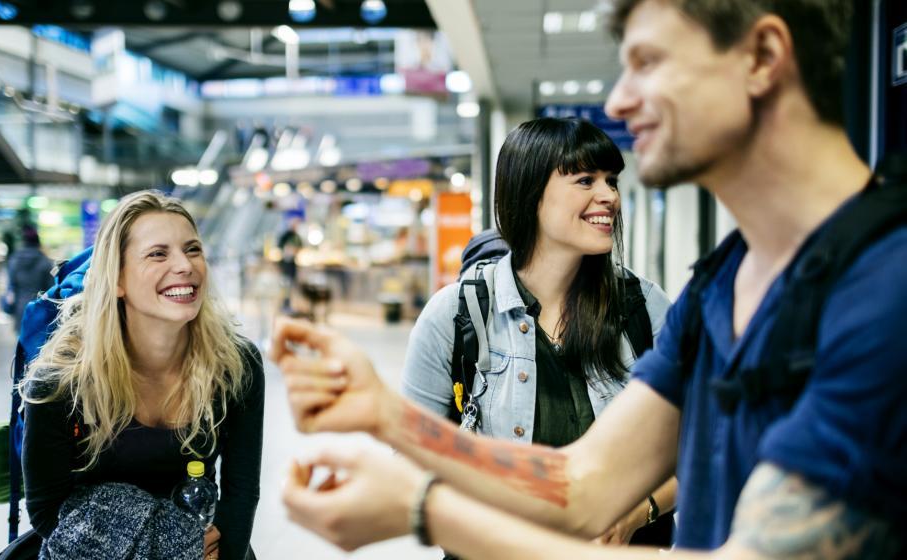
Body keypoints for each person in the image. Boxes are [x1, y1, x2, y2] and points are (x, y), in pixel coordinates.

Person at [271, 0, 907, 557]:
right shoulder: (720, 285)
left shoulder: (885, 290)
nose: (619, 100)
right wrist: (388, 417)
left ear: (762, 56)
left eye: (649, 62)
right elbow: (585, 484)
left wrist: (423, 510)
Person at [402, 117, 675, 547]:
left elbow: (700, 442)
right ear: (530, 194)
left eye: (611, 180)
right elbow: (413, 460)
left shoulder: (642, 307)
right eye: (585, 180)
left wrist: (637, 513)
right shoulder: (457, 314)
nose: (609, 196)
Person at [20, 190, 264, 560]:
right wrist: (173, 547)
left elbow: (241, 488)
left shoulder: (234, 363)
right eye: (158, 253)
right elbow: (46, 508)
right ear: (117, 279)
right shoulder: (62, 379)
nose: (184, 266)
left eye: (193, 249)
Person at [5, 227, 53, 332]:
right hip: (39, 309)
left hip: (20, 309)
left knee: (21, 341)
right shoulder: (45, 262)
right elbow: (50, 289)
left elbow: (11, 287)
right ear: (38, 242)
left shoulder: (14, 260)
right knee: (38, 344)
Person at [276, 217, 303, 313]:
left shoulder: (297, 237)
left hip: (292, 265)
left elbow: (300, 247)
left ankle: (289, 305)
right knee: (285, 285)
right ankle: (284, 305)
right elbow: (279, 246)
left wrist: (295, 251)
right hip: (285, 265)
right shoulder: (285, 236)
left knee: (291, 286)